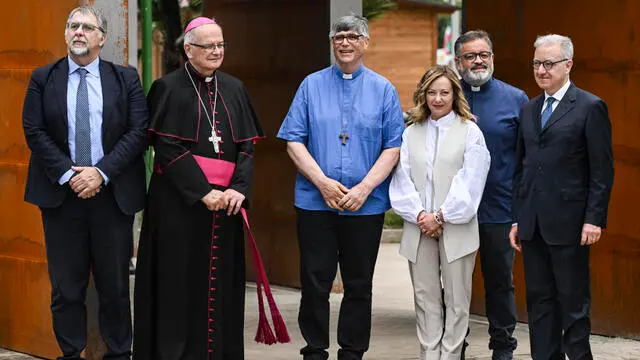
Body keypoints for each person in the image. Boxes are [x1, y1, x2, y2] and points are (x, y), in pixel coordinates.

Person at [133, 17, 288, 360]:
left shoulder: (234, 88)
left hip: (227, 208)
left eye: (221, 45)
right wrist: (203, 192)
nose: (217, 51)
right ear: (189, 50)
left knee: (221, 285)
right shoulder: (168, 88)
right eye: (209, 46)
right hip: (180, 206)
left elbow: (247, 146)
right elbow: (167, 146)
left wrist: (238, 190)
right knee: (178, 283)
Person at [21, 6, 148, 360]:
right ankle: (70, 353)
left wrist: (100, 172)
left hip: (112, 196)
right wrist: (70, 173)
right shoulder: (43, 78)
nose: (79, 32)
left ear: (101, 38)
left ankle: (120, 354)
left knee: (115, 286)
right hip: (62, 197)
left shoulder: (125, 79)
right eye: (73, 26)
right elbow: (34, 130)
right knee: (67, 289)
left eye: (87, 27)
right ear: (65, 35)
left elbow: (137, 132)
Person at [276, 15, 404, 360]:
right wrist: (321, 183)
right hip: (315, 203)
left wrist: (363, 188)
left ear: (365, 42)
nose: (345, 43)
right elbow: (293, 140)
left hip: (366, 204)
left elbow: (393, 146)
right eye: (339, 37)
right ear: (332, 43)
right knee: (315, 281)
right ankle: (315, 349)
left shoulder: (384, 89)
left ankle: (352, 351)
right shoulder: (311, 85)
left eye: (352, 37)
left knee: (359, 284)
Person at [510, 34, 614, 360]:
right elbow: (522, 168)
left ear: (568, 65)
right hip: (534, 225)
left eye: (549, 63)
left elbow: (601, 171)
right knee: (540, 305)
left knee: (573, 305)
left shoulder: (590, 106)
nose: (541, 70)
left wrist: (594, 219)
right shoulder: (529, 109)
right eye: (537, 63)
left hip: (571, 225)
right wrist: (518, 217)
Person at [390, 65, 490, 360]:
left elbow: (471, 180)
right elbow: (401, 178)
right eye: (431, 92)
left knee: (458, 301)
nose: (437, 98)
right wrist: (421, 215)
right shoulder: (411, 133)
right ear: (423, 95)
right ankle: (429, 354)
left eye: (444, 92)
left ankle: (449, 356)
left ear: (454, 94)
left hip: (456, 228)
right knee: (425, 299)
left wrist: (442, 216)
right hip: (419, 227)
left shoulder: (470, 131)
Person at [454, 30, 529, 360]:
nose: (478, 61)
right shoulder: (444, 96)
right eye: (470, 56)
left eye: (484, 54)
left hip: (499, 210)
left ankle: (503, 347)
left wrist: (522, 211)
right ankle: (456, 345)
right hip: (454, 212)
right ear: (458, 62)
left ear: (493, 58)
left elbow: (528, 159)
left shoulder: (516, 99)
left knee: (500, 283)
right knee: (455, 286)